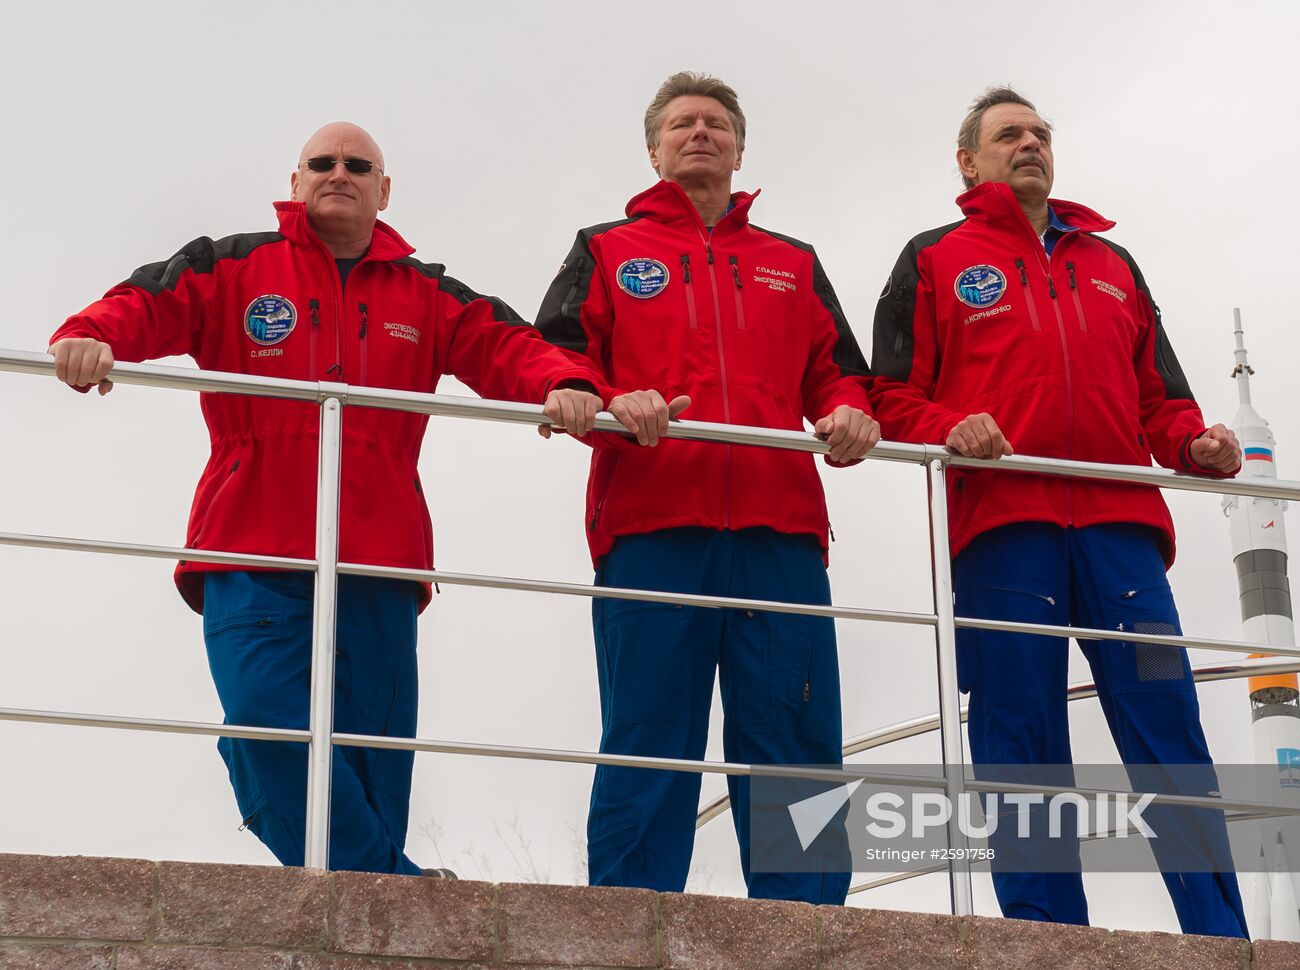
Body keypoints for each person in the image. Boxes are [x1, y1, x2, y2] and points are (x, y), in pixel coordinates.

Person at [48, 122, 611, 876]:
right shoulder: (230, 265)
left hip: (380, 554)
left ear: (385, 191)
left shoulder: (428, 291)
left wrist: (565, 383)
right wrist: (88, 337)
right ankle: (390, 888)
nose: (336, 173)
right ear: (294, 183)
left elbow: (507, 345)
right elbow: (141, 305)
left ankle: (375, 902)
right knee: (261, 723)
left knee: (372, 755)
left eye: (357, 165)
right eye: (321, 163)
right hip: (249, 541)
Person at [870, 88, 1249, 936]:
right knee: (1020, 741)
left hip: (1122, 544)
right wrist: (947, 426)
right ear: (969, 162)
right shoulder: (933, 258)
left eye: (1041, 133)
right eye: (1009, 134)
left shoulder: (1113, 265)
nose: (1031, 143)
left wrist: (1198, 446)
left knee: (1168, 730)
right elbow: (888, 395)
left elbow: (1164, 403)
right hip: (1007, 535)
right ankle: (1046, 938)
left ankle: (1223, 938)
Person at [534, 72, 879, 903]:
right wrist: (607, 398)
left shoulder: (790, 262)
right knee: (650, 737)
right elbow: (557, 354)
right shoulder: (606, 247)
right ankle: (629, 923)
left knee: (796, 744)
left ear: (739, 147)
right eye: (683, 123)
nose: (701, 133)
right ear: (653, 149)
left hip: (780, 534)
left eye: (716, 123)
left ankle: (812, 935)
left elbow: (842, 376)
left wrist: (849, 414)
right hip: (654, 526)